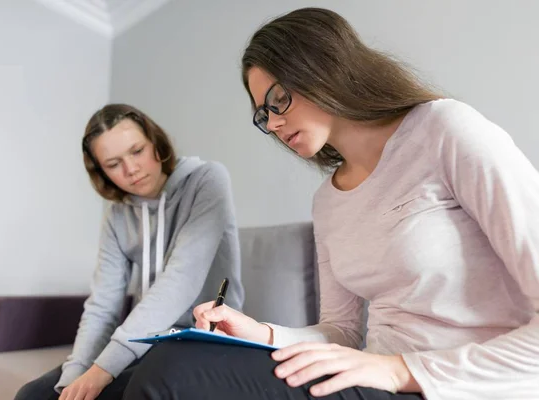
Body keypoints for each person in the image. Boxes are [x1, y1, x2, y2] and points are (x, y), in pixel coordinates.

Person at [121, 7, 539, 400]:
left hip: (449, 383)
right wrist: (261, 333)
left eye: (278, 100)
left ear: (323, 67)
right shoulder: (327, 201)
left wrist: (398, 370)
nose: (274, 123)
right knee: (171, 359)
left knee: (175, 371)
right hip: (373, 375)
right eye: (263, 115)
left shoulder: (445, 130)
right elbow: (341, 330)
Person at [14, 103, 244, 400]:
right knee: (33, 395)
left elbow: (180, 282)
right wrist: (75, 375)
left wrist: (103, 371)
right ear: (102, 172)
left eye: (137, 151)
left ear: (155, 143)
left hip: (205, 340)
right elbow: (103, 306)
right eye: (113, 164)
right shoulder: (118, 216)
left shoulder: (208, 180)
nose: (131, 169)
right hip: (146, 339)